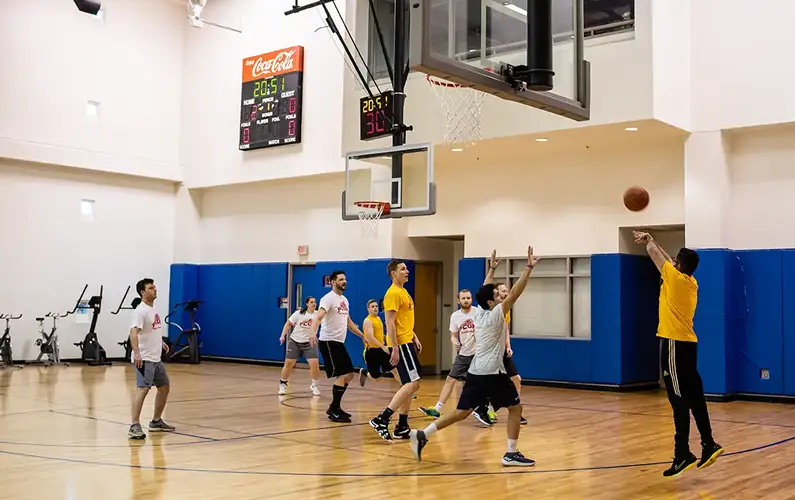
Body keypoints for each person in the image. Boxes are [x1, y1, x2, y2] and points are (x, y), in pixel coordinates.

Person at [410, 246, 539, 467]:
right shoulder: (496, 314)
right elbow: (516, 293)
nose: (501, 296)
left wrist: (491, 269)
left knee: (462, 412)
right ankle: (510, 453)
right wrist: (527, 268)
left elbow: (483, 290)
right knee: (515, 408)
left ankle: (423, 433)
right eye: (497, 295)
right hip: (491, 372)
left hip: (475, 371)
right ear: (492, 302)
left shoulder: (478, 312)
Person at [633, 230, 724, 477]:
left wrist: (649, 241)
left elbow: (656, 256)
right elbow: (668, 261)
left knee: (677, 400)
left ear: (679, 265)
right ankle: (708, 443)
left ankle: (682, 454)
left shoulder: (673, 278)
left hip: (673, 344)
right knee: (695, 396)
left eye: (675, 260)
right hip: (688, 344)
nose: (671, 262)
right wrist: (653, 239)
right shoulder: (690, 281)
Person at [418, 289, 493, 426]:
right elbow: (453, 335)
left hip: (479, 353)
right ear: (458, 301)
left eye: (469, 298)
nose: (466, 300)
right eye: (464, 298)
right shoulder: (455, 316)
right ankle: (437, 408)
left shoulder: (478, 312)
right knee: (450, 379)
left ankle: (487, 410)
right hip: (464, 353)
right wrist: (454, 342)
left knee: (482, 382)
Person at [369, 260, 422, 441]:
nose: (407, 271)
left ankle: (402, 425)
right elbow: (389, 323)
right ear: (393, 273)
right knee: (412, 384)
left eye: (406, 268)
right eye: (403, 269)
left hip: (408, 341)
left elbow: (402, 319)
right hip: (401, 344)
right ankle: (382, 419)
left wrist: (414, 335)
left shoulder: (403, 291)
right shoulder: (392, 293)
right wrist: (395, 348)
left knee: (408, 384)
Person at [310, 270, 366, 423]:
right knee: (342, 374)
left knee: (349, 375)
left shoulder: (345, 300)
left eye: (345, 279)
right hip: (328, 341)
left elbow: (349, 322)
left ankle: (335, 407)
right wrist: (312, 332)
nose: (344, 281)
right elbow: (318, 317)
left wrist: (362, 335)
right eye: (341, 279)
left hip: (339, 342)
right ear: (333, 282)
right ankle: (334, 410)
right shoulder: (327, 299)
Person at [128, 278, 175, 440]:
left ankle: (156, 421)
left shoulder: (153, 308)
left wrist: (160, 342)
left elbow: (152, 330)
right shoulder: (140, 311)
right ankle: (134, 425)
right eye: (151, 287)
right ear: (143, 292)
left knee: (164, 387)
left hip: (156, 357)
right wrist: (137, 353)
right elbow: (133, 332)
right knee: (143, 389)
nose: (155, 289)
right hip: (144, 357)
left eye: (155, 286)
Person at [278, 296, 321, 397]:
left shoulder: (318, 315)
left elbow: (328, 323)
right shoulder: (298, 313)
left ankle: (314, 385)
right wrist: (282, 335)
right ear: (307, 304)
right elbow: (288, 324)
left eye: (315, 302)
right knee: (289, 363)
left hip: (310, 342)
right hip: (295, 341)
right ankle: (283, 383)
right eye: (311, 302)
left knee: (314, 363)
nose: (314, 304)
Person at [359, 299, 395, 386]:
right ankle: (364, 372)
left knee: (394, 369)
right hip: (372, 351)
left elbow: (380, 335)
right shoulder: (367, 321)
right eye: (372, 307)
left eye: (376, 306)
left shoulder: (378, 318)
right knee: (376, 378)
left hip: (381, 350)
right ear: (368, 309)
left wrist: (388, 340)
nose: (375, 308)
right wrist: (383, 346)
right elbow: (370, 337)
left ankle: (404, 388)